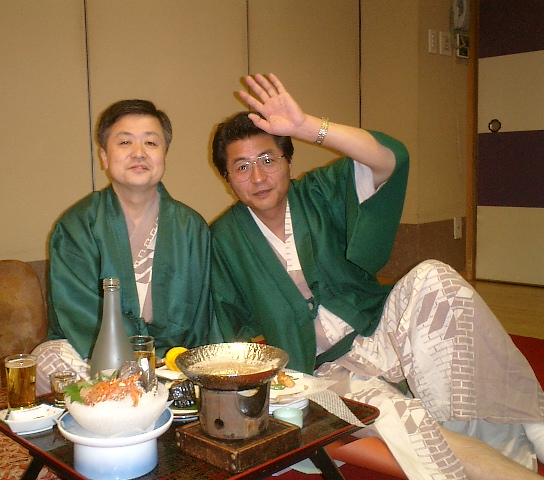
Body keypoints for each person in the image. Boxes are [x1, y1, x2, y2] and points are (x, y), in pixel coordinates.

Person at [209, 73, 544, 479]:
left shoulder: (317, 193)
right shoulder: (224, 238)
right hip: (322, 370)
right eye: (242, 167)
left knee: (434, 276)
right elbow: (220, 324)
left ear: (288, 161)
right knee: (398, 420)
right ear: (227, 179)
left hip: (379, 328)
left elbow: (389, 159)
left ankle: (534, 424)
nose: (259, 177)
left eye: (268, 160)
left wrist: (306, 126)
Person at [32, 99, 222, 394]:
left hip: (171, 362)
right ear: (104, 157)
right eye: (124, 142)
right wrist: (131, 367)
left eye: (151, 142)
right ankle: (128, 397)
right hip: (93, 356)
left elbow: (203, 318)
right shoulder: (78, 224)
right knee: (46, 360)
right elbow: (79, 315)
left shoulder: (191, 227)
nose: (139, 152)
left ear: (164, 155)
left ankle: (141, 399)